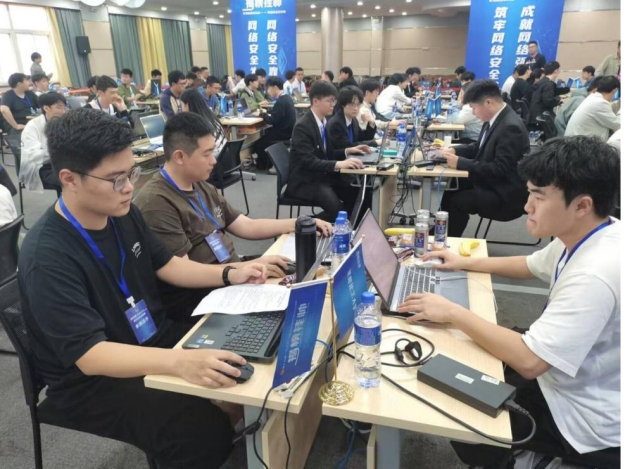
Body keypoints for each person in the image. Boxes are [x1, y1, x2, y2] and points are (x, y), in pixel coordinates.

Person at [18, 107, 267, 469]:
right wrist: (179, 363)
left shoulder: (123, 213)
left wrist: (231, 274)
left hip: (150, 337)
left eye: (131, 173)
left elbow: (170, 265)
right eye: (115, 179)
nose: (129, 187)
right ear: (70, 179)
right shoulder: (47, 256)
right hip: (91, 379)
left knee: (247, 346)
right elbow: (91, 355)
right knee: (197, 427)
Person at [402, 136, 620, 469]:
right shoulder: (595, 232)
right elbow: (531, 264)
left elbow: (530, 362)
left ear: (582, 205)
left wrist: (452, 311)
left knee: (456, 406)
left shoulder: (594, 274)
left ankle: (526, 458)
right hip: (562, 375)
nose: (527, 207)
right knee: (470, 354)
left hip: (579, 413)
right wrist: (462, 262)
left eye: (538, 197)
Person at [134, 112, 329, 312]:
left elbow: (246, 225)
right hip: (204, 294)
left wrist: (299, 222)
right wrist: (240, 270)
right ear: (180, 157)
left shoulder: (199, 184)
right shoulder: (156, 203)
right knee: (298, 307)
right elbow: (182, 271)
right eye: (206, 154)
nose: (214, 161)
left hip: (233, 273)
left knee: (309, 279)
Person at [439, 79, 530, 237]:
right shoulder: (495, 119)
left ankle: (448, 241)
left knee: (457, 201)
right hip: (492, 182)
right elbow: (478, 147)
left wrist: (460, 163)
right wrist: (455, 150)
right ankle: (439, 234)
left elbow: (499, 169)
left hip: (504, 193)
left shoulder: (510, 127)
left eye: (474, 108)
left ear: (488, 102)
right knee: (449, 188)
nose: (474, 113)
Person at [285, 81, 371, 222]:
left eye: (334, 101)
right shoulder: (303, 126)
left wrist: (347, 151)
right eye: (329, 101)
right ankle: (302, 225)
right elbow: (308, 161)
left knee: (361, 193)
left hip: (321, 176)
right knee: (340, 213)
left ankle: (356, 229)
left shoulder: (323, 121)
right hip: (305, 181)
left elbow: (327, 154)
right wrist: (338, 164)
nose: (333, 105)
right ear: (316, 101)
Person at [20, 92, 66, 195]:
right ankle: (64, 204)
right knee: (68, 179)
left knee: (85, 174)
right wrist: (59, 152)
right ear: (46, 108)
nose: (63, 111)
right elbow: (33, 156)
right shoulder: (32, 126)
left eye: (64, 108)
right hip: (40, 167)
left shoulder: (62, 122)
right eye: (59, 107)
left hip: (60, 163)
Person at [254, 76, 296, 171]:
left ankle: (265, 165)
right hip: (287, 131)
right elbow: (277, 114)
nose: (267, 91)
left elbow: (272, 120)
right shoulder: (287, 98)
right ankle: (267, 163)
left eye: (269, 88)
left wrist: (262, 114)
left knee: (258, 145)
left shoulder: (280, 102)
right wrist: (267, 113)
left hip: (282, 133)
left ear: (275, 87)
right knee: (264, 138)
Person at [564, 76, 620, 141]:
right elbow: (618, 125)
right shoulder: (599, 103)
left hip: (576, 141)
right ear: (614, 91)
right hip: (581, 144)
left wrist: (618, 104)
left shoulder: (593, 98)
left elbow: (608, 111)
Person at [0, 73, 39, 160]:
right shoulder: (8, 95)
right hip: (15, 126)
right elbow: (4, 110)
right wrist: (16, 126)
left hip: (31, 123)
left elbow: (41, 103)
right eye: (27, 80)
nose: (29, 83)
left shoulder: (29, 93)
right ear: (19, 84)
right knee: (24, 152)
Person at [179, 88, 227, 156]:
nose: (181, 109)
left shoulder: (197, 124)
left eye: (182, 105)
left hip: (212, 157)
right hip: (223, 156)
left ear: (187, 105)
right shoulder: (211, 117)